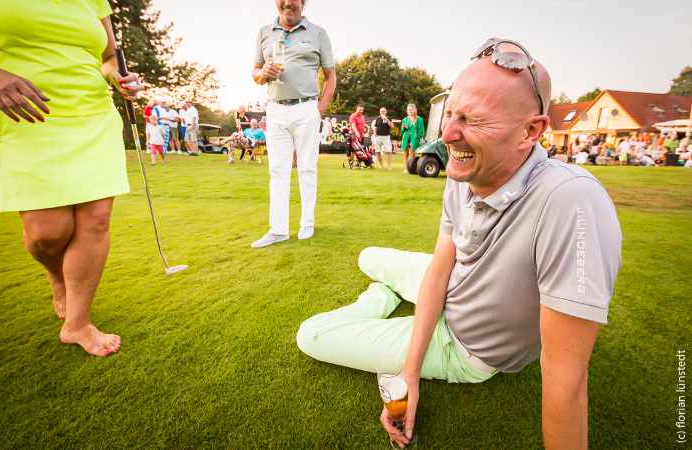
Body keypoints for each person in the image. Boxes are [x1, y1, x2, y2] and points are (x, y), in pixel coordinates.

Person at [296, 38, 621, 449]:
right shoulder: (464, 171)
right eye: (450, 113)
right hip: (453, 288)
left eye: (473, 119)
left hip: (466, 346)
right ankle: (385, 294)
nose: (448, 134)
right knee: (369, 257)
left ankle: (378, 303)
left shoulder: (571, 201)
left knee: (312, 335)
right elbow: (440, 266)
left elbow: (567, 382)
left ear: (531, 131)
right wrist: (407, 372)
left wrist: (412, 359)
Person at [0, 0, 142, 356]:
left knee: (95, 218)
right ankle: (57, 276)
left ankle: (77, 324)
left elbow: (108, 55)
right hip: (25, 112)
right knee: (48, 233)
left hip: (91, 111)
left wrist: (117, 77)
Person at [250, 0, 336, 248]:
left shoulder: (318, 33)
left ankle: (306, 225)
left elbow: (331, 76)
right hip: (275, 110)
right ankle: (278, 230)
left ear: (303, 3)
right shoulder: (264, 32)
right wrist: (262, 73)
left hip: (306, 108)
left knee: (307, 167)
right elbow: (255, 72)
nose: (288, 3)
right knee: (277, 171)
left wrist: (318, 111)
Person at [400, 103, 425, 173]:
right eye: (408, 110)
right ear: (407, 111)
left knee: (412, 152)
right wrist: (403, 128)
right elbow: (402, 131)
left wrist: (418, 138)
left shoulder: (420, 119)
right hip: (406, 137)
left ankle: (412, 168)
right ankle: (406, 168)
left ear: (415, 110)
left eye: (411, 110)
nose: (410, 111)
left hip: (415, 137)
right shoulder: (404, 119)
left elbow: (421, 131)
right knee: (405, 153)